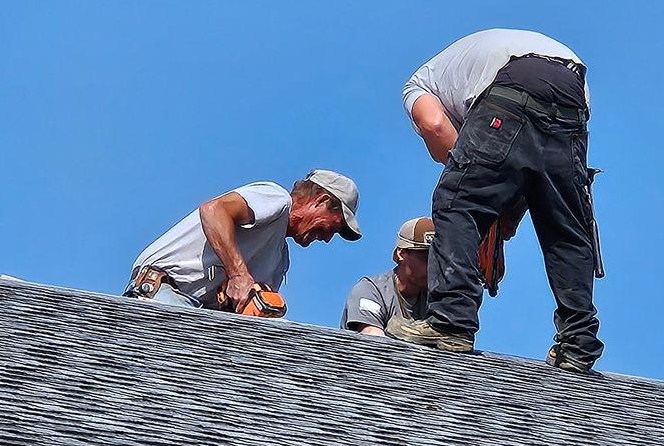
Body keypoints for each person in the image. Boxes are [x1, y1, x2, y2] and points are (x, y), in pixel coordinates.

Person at [386, 29, 602, 371]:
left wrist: (473, 213)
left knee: (455, 201)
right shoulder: (472, 67)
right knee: (564, 229)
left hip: (512, 87)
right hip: (574, 95)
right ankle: (578, 342)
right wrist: (497, 224)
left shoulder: (420, 85)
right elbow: (526, 176)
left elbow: (435, 124)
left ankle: (450, 322)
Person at [127, 171, 361, 311]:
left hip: (195, 313)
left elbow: (248, 309)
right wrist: (238, 275)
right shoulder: (276, 200)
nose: (329, 238)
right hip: (162, 293)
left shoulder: (278, 262)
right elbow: (214, 210)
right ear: (320, 201)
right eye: (336, 225)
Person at [344, 217, 433, 336]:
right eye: (426, 258)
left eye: (438, 259)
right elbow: (374, 342)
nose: (433, 266)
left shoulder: (438, 297)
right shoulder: (371, 291)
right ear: (401, 253)